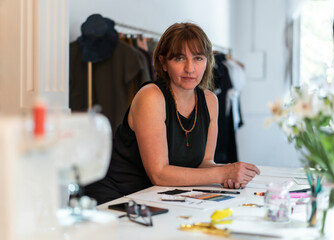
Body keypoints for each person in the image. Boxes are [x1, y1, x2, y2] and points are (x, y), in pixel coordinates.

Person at [84, 22, 260, 205]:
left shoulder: (210, 101)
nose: (190, 68)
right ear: (164, 63)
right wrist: (223, 172)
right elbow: (158, 174)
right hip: (117, 195)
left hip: (158, 196)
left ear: (207, 61)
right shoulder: (151, 97)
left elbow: (204, 163)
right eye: (180, 58)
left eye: (198, 58)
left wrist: (229, 175)